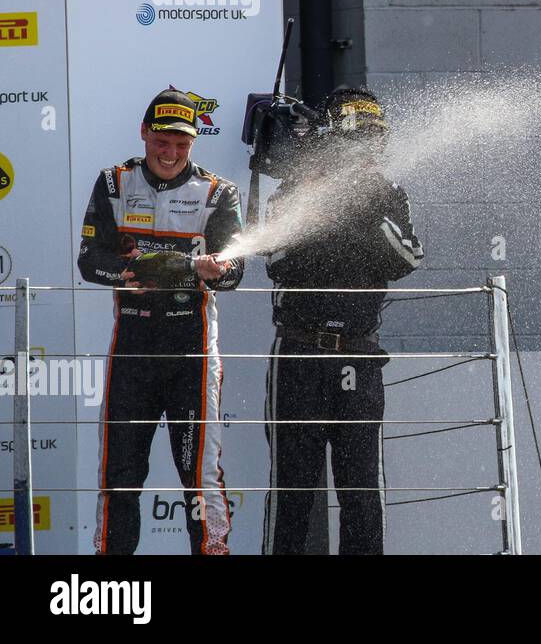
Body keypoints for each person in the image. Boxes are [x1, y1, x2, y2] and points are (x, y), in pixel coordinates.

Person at [78, 89, 245, 555]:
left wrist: (218, 269)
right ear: (144, 133)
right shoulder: (114, 182)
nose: (170, 154)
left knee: (199, 475)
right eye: (162, 142)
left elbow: (236, 272)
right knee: (120, 474)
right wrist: (129, 273)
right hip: (133, 348)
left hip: (190, 349)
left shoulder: (218, 191)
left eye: (182, 145)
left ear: (193, 143)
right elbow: (89, 261)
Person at [262, 86, 423, 555]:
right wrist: (322, 207)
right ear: (333, 139)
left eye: (376, 139)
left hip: (360, 351)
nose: (370, 149)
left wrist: (365, 214)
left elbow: (407, 259)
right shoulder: (295, 190)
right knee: (293, 487)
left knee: (361, 488)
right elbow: (277, 259)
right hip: (299, 352)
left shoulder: (388, 194)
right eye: (359, 139)